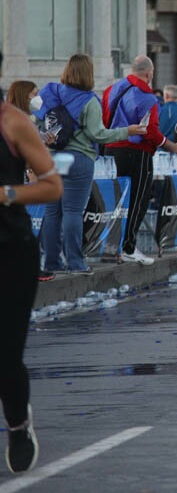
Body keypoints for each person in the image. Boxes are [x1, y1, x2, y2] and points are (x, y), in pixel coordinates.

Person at [0, 58, 63, 474]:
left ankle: (18, 425)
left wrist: (6, 194)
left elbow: (52, 185)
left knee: (5, 355)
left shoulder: (12, 122)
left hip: (11, 249)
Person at [37, 55, 146, 279]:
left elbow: (35, 121)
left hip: (51, 159)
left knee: (52, 212)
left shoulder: (49, 92)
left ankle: (51, 261)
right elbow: (98, 134)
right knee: (73, 212)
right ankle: (75, 262)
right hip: (78, 159)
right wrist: (128, 131)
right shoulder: (89, 101)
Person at [103, 56, 177, 265]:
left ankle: (110, 246)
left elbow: (104, 119)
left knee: (116, 200)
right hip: (137, 151)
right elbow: (151, 131)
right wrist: (171, 145)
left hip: (111, 148)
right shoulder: (148, 97)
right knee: (138, 199)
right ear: (150, 73)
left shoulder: (112, 89)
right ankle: (128, 246)